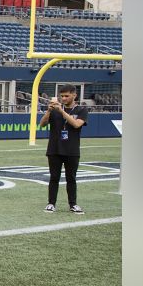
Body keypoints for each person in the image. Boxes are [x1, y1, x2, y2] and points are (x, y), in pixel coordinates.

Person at [38, 84, 89, 214]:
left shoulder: (81, 110)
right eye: (62, 96)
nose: (64, 98)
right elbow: (42, 124)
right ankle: (51, 203)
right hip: (54, 149)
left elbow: (77, 124)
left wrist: (62, 112)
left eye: (67, 96)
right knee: (54, 177)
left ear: (74, 95)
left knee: (71, 178)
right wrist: (49, 111)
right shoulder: (54, 110)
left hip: (72, 150)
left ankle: (73, 204)